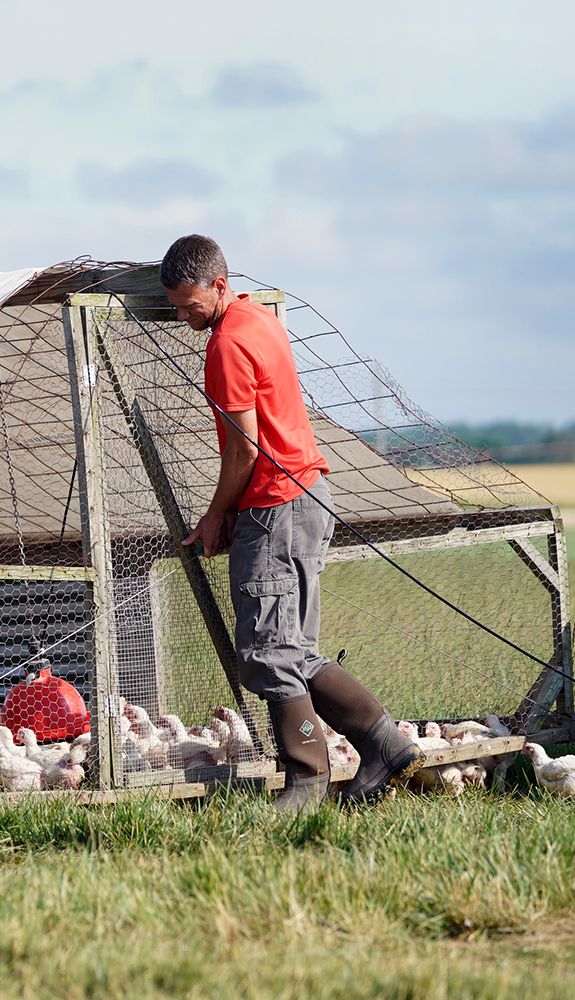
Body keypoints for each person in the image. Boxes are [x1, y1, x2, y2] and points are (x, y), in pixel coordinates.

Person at [162, 234, 423, 811]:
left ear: (218, 285)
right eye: (174, 307)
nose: (183, 319)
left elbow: (244, 452)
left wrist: (215, 515)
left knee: (269, 652)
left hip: (276, 506)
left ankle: (306, 778)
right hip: (307, 497)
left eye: (189, 305)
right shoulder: (259, 317)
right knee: (295, 649)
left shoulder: (227, 345)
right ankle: (384, 745)